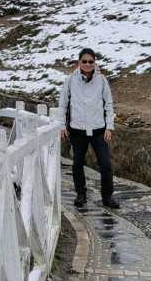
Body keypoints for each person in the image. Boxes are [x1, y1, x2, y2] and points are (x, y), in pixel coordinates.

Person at [59, 48, 120, 209]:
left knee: (105, 164)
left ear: (95, 63)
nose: (87, 64)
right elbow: (63, 104)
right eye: (84, 61)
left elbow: (108, 104)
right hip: (77, 130)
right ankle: (81, 194)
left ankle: (107, 197)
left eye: (90, 61)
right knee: (78, 163)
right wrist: (61, 126)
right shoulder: (70, 80)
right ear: (79, 63)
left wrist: (110, 127)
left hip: (98, 129)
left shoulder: (102, 80)